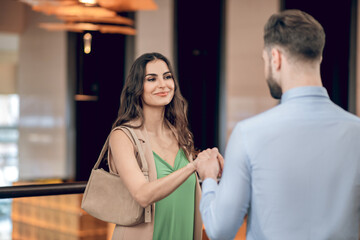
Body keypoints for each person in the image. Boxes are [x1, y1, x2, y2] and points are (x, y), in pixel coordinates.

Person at [197, 9, 360, 240]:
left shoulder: (248, 134)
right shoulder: (357, 132)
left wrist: (210, 178)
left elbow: (221, 231)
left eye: (265, 61)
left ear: (276, 58)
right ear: (319, 57)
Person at [108, 52, 216, 240]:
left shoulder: (181, 134)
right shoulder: (122, 136)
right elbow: (142, 195)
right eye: (151, 79)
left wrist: (213, 167)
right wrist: (193, 166)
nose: (163, 84)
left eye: (167, 77)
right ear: (137, 88)